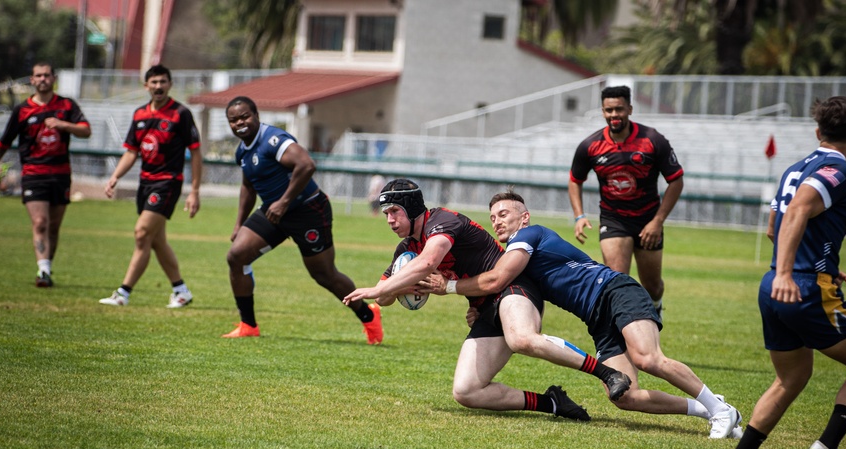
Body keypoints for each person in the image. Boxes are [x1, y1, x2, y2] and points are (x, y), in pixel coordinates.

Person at [425, 190, 743, 439]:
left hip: (615, 292)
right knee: (624, 396)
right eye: (492, 217)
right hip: (596, 319)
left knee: (648, 358)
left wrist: (449, 287)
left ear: (524, 218)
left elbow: (496, 280)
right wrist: (477, 308)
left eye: (504, 214)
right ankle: (709, 407)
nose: (497, 221)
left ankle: (720, 411)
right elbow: (501, 289)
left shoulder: (529, 236)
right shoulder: (516, 253)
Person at [343, 179, 632, 422]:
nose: (390, 220)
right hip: (483, 307)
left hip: (512, 288)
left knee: (521, 338)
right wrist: (388, 291)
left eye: (395, 211)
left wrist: (374, 290)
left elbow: (429, 261)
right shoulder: (406, 248)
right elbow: (387, 296)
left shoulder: (442, 221)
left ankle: (607, 373)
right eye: (386, 214)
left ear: (413, 208)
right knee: (466, 391)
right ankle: (552, 403)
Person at [718, 96, 846, 449]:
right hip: (801, 286)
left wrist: (810, 266)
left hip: (776, 283)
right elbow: (796, 213)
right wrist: (794, 273)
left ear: (817, 132)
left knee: (791, 379)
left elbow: (777, 227)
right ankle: (827, 446)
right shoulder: (837, 170)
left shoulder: (796, 167)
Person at [220, 96, 383, 344]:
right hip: (274, 213)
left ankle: (368, 315)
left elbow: (306, 165)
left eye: (244, 116)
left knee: (324, 275)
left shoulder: (273, 140)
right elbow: (247, 187)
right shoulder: (242, 151)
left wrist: (284, 201)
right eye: (234, 120)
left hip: (308, 210)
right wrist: (238, 223)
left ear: (256, 116)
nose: (240, 123)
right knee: (236, 255)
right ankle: (248, 325)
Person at [568, 85, 684, 318]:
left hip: (648, 220)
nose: (614, 115)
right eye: (609, 110)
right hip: (613, 220)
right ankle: (623, 337)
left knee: (652, 286)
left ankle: (656, 307)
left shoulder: (652, 140)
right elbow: (574, 180)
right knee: (618, 282)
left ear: (630, 109)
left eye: (619, 109)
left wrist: (658, 222)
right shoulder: (590, 146)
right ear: (602, 111)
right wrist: (579, 215)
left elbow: (676, 181)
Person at [0, 63, 91, 287]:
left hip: (60, 173)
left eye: (46, 76)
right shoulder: (22, 110)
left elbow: (86, 130)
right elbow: (4, 142)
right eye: (38, 76)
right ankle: (43, 271)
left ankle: (47, 266)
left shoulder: (66, 105)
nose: (42, 79)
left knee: (54, 226)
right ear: (32, 80)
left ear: (54, 78)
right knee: (40, 222)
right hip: (33, 173)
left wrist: (64, 125)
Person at [99, 65, 201, 308]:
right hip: (145, 184)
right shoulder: (140, 114)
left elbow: (196, 153)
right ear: (146, 86)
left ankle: (123, 293)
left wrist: (194, 191)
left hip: (167, 183)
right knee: (156, 241)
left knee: (142, 233)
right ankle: (181, 291)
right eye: (154, 82)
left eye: (163, 81)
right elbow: (131, 152)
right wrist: (115, 176)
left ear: (170, 84)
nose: (158, 86)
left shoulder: (180, 113)